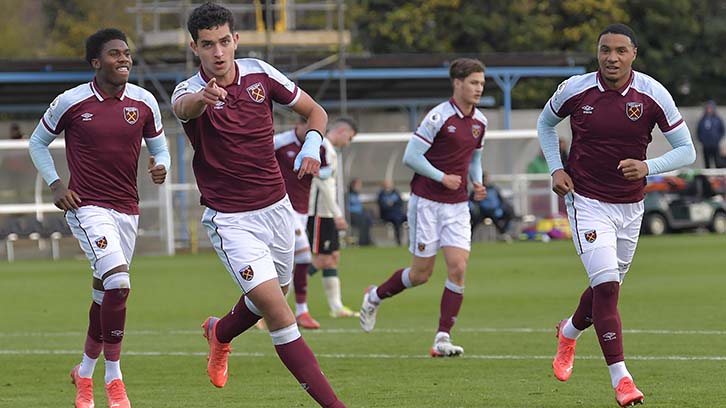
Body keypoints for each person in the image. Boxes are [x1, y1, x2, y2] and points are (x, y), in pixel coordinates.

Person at [171, 3, 345, 407]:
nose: (218, 52)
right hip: (231, 219)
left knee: (275, 293)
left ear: (236, 40)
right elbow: (183, 108)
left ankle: (220, 333)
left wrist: (314, 144)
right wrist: (203, 98)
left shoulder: (260, 73)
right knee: (279, 314)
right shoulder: (188, 90)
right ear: (194, 47)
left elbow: (315, 111)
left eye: (224, 41)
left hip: (277, 209)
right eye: (207, 44)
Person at [536, 23, 695, 407]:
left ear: (633, 54)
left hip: (631, 206)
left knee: (605, 290)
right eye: (605, 50)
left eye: (621, 50)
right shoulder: (575, 89)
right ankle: (622, 379)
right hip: (586, 200)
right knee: (606, 287)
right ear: (597, 52)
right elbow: (545, 124)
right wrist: (556, 168)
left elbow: (686, 150)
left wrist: (648, 167)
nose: (612, 57)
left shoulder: (653, 93)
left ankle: (569, 333)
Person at [28, 28, 171, 408]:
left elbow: (160, 145)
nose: (124, 59)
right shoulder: (71, 102)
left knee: (105, 291)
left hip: (128, 209)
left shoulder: (143, 102)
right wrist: (57, 184)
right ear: (96, 62)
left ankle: (84, 373)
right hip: (87, 207)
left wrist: (162, 165)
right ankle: (114, 380)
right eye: (114, 54)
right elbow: (37, 142)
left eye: (126, 53)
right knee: (120, 283)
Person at [359, 57, 488, 357]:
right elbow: (411, 156)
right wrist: (442, 177)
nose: (479, 88)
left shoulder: (481, 121)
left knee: (458, 268)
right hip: (427, 203)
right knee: (420, 275)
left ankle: (442, 338)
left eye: (481, 83)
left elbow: (477, 157)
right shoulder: (438, 117)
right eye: (473, 82)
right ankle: (374, 296)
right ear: (457, 83)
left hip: (457, 207)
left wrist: (477, 182)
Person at [307, 118, 360, 318]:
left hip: (327, 212)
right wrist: (337, 214)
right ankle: (273, 302)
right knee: (320, 259)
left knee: (332, 258)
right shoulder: (322, 147)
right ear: (341, 131)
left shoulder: (329, 150)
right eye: (350, 137)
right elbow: (321, 182)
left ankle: (336, 307)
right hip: (320, 212)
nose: (349, 142)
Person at [273, 118, 323, 329]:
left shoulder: (320, 145)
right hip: (281, 208)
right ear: (299, 124)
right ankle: (301, 311)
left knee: (284, 263)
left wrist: (317, 170)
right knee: (304, 256)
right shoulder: (280, 142)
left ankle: (269, 310)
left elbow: (327, 171)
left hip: (303, 210)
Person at [470, 173, 514, 238]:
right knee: (475, 221)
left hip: (495, 210)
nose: (486, 180)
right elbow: (472, 201)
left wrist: (501, 208)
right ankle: (469, 236)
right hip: (482, 212)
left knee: (510, 213)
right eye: (484, 178)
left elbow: (501, 200)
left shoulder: (493, 188)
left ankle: (504, 232)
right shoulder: (477, 190)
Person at [377, 178, 406, 246]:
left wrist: (392, 204)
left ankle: (414, 240)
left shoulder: (396, 192)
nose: (389, 185)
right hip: (387, 215)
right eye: (387, 184)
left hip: (398, 213)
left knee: (411, 219)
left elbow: (400, 203)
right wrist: (391, 205)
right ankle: (399, 241)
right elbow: (383, 206)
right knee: (396, 220)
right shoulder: (381, 194)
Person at [696, 100, 724, 168]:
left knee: (717, 162)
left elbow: (722, 130)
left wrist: (717, 139)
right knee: (707, 163)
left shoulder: (718, 119)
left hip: (715, 144)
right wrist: (702, 140)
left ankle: (718, 177)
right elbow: (698, 131)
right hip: (706, 145)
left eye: (710, 108)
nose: (709, 109)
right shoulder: (702, 120)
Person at [347, 177, 373, 246]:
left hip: (359, 214)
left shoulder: (356, 194)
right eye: (358, 185)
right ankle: (363, 242)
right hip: (351, 214)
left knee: (367, 220)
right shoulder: (348, 194)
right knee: (363, 221)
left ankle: (367, 240)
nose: (360, 186)